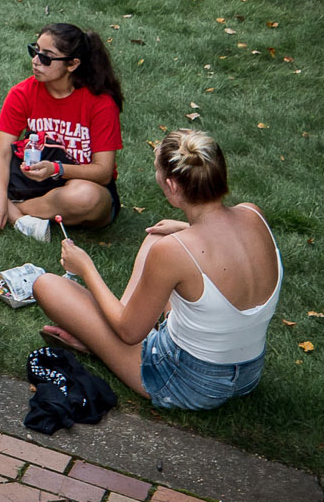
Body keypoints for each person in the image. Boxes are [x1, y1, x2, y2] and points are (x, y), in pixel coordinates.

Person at [32, 130, 281, 411]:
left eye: (157, 172)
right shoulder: (253, 214)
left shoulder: (175, 252)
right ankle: (101, 335)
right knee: (157, 238)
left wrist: (86, 267)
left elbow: (129, 333)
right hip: (247, 374)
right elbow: (227, 248)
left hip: (187, 382)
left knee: (46, 285)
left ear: (173, 186)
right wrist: (186, 228)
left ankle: (100, 342)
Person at [0, 23, 124, 242]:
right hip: (31, 172)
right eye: (34, 51)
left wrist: (56, 168)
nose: (35, 61)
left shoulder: (100, 103)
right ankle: (17, 218)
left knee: (86, 198)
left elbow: (102, 172)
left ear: (72, 64)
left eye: (47, 57)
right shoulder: (23, 92)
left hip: (74, 181)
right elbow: (1, 153)